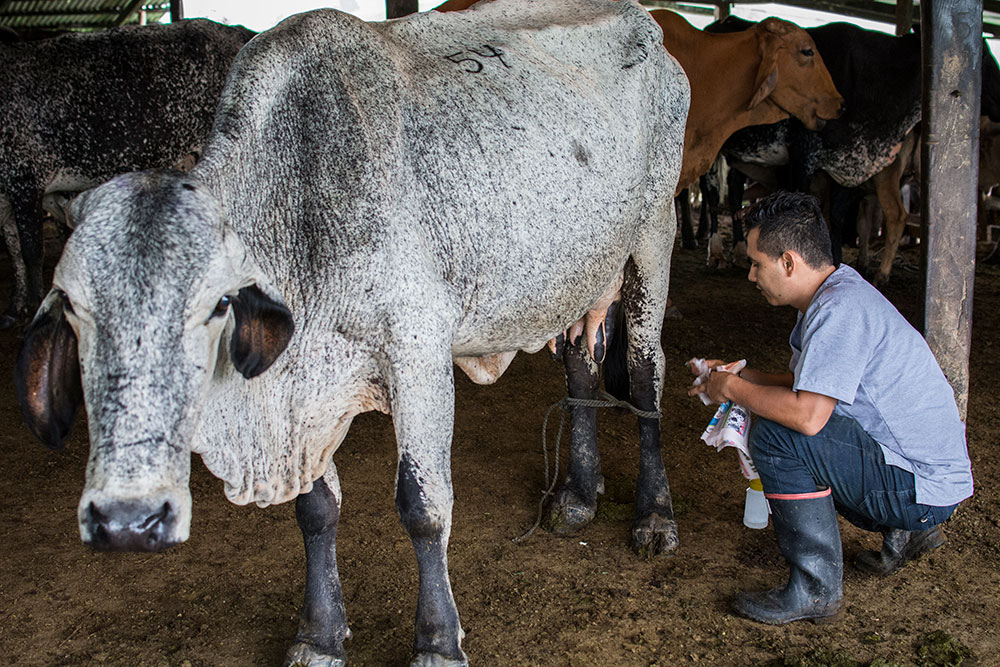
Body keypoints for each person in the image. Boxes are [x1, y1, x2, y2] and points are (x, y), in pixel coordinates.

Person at [688, 191, 973, 625]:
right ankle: (904, 533)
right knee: (786, 419)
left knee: (780, 435)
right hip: (924, 478)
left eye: (756, 263)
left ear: (788, 262)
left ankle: (816, 589)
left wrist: (734, 391)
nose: (750, 276)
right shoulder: (837, 293)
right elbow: (813, 387)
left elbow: (807, 414)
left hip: (922, 488)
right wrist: (739, 377)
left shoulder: (839, 309)